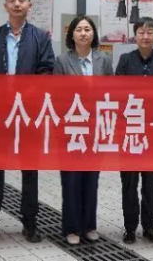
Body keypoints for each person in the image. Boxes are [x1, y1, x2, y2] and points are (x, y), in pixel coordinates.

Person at [0, 0, 55, 243]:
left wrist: (25, 96)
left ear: (29, 5)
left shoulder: (40, 38)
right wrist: (0, 98)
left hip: (28, 114)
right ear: (5, 5)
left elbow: (46, 71)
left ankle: (30, 223)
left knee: (29, 170)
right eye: (12, 0)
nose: (17, 4)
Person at [54, 16, 113, 245]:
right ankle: (71, 228)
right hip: (71, 127)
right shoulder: (62, 61)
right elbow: (57, 95)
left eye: (87, 29)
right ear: (72, 34)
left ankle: (89, 225)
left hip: (95, 128)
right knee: (71, 179)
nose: (83, 33)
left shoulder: (103, 60)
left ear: (93, 34)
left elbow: (110, 93)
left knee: (91, 178)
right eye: (79, 29)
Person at [116, 16, 153, 245]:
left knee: (150, 183)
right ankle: (130, 228)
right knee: (129, 183)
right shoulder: (125, 60)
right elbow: (119, 93)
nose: (146, 36)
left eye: (150, 32)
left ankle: (149, 226)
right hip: (130, 131)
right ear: (135, 35)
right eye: (141, 32)